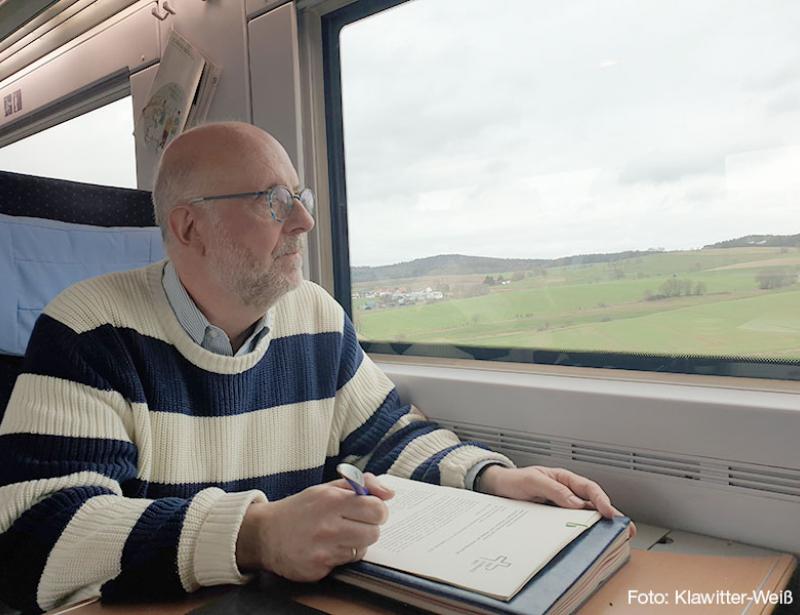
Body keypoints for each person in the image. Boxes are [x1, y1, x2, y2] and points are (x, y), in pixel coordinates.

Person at [0, 122, 632, 613]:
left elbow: (386, 435)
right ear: (190, 227)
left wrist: (490, 477)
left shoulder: (314, 315)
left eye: (299, 197)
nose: (304, 221)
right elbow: (39, 535)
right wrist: (256, 534)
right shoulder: (90, 329)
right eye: (273, 202)